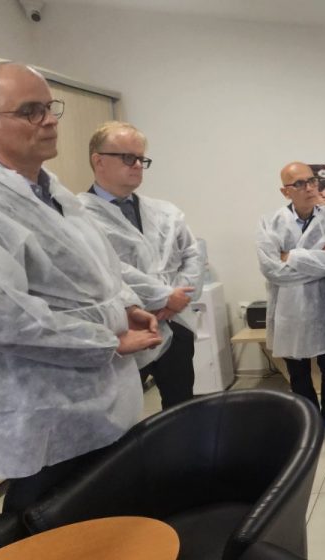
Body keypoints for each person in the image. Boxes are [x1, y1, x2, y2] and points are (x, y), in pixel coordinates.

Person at [0, 62, 161, 507]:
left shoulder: (55, 193)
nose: (49, 120)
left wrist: (126, 306)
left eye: (49, 107)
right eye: (30, 111)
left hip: (102, 398)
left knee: (116, 518)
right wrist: (109, 341)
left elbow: (100, 268)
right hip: (43, 410)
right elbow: (2, 319)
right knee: (52, 521)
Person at [79, 121, 204, 410]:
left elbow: (193, 253)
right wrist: (163, 296)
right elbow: (107, 267)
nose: (137, 165)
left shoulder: (164, 212)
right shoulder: (76, 215)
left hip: (174, 325)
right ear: (98, 161)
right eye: (128, 157)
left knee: (182, 409)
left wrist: (177, 299)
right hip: (123, 330)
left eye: (141, 159)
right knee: (122, 414)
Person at [257, 162, 325, 435]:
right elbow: (271, 270)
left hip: (324, 304)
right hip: (289, 308)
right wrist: (319, 255)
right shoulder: (269, 223)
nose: (310, 188)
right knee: (298, 370)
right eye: (299, 184)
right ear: (285, 191)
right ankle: (309, 417)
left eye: (312, 181)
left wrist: (290, 255)